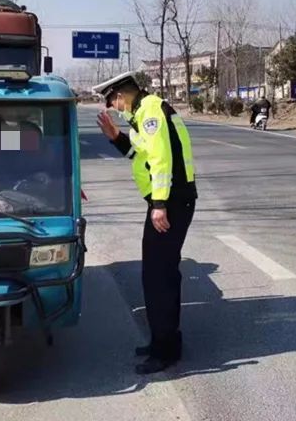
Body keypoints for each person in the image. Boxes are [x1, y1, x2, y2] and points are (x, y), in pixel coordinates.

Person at [94, 71, 197, 375]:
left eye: (113, 101)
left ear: (122, 95)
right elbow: (141, 157)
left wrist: (160, 204)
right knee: (159, 274)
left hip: (170, 202)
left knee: (158, 277)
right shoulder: (142, 113)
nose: (114, 107)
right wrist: (116, 139)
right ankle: (164, 342)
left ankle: (164, 351)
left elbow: (162, 159)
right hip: (168, 200)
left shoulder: (150, 110)